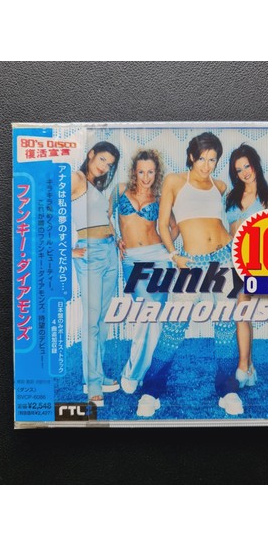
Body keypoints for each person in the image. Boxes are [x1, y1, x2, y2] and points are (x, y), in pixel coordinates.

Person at [136, 132, 243, 417]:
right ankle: (151, 391)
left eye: (213, 160)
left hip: (224, 258)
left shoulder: (219, 186)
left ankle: (228, 389)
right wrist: (174, 255)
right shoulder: (175, 181)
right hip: (190, 262)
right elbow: (162, 224)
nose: (207, 165)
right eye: (202, 159)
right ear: (192, 157)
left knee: (225, 326)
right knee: (174, 325)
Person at [112, 149, 178, 394]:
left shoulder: (160, 198)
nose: (146, 177)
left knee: (152, 318)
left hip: (158, 259)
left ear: (156, 173)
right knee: (145, 315)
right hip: (132, 259)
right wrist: (115, 238)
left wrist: (166, 250)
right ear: (134, 172)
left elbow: (174, 227)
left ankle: (136, 374)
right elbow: (105, 217)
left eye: (151, 172)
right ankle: (140, 372)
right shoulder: (120, 191)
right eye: (141, 172)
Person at [71, 141, 120, 406]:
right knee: (92, 320)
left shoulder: (96, 188)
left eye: (109, 165)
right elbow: (47, 210)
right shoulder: (76, 178)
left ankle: (96, 376)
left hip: (110, 252)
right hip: (90, 254)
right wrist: (67, 249)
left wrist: (117, 238)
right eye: (102, 160)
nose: (104, 167)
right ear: (90, 154)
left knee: (101, 319)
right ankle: (92, 386)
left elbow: (104, 219)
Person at [226, 143, 268, 388]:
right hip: (234, 260)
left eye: (247, 166)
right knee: (242, 314)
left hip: (257, 262)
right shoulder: (231, 197)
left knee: (242, 313)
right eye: (239, 170)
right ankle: (248, 367)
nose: (244, 172)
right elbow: (227, 231)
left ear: (255, 164)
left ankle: (243, 367)